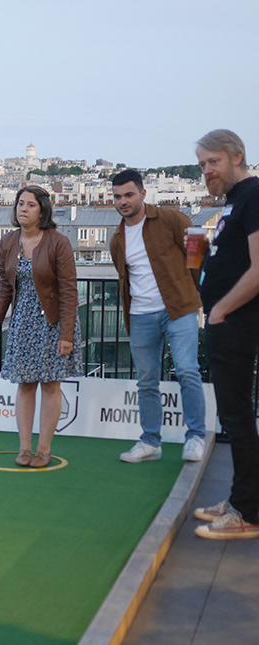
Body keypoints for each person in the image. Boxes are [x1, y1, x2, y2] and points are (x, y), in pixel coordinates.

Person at [110, 169, 207, 463]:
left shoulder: (171, 219)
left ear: (142, 194)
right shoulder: (116, 239)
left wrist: (191, 290)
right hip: (140, 315)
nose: (123, 201)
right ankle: (151, 441)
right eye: (117, 197)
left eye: (128, 194)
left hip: (178, 309)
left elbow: (199, 248)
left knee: (188, 370)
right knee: (147, 380)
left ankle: (196, 437)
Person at [192, 130, 259, 539]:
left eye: (212, 162)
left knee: (237, 416)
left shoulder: (253, 196)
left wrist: (220, 309)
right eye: (201, 165)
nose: (206, 172)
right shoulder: (236, 201)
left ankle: (247, 512)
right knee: (235, 416)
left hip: (234, 322)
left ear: (236, 157)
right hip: (227, 321)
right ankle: (240, 499)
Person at [0, 185, 82, 468]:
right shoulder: (8, 242)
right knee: (25, 385)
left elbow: (69, 291)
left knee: (51, 385)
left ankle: (44, 449)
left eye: (30, 205)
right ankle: (24, 449)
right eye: (20, 203)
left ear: (42, 211)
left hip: (52, 323)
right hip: (23, 322)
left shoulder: (58, 242)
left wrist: (66, 334)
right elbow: (5, 286)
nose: (23, 209)